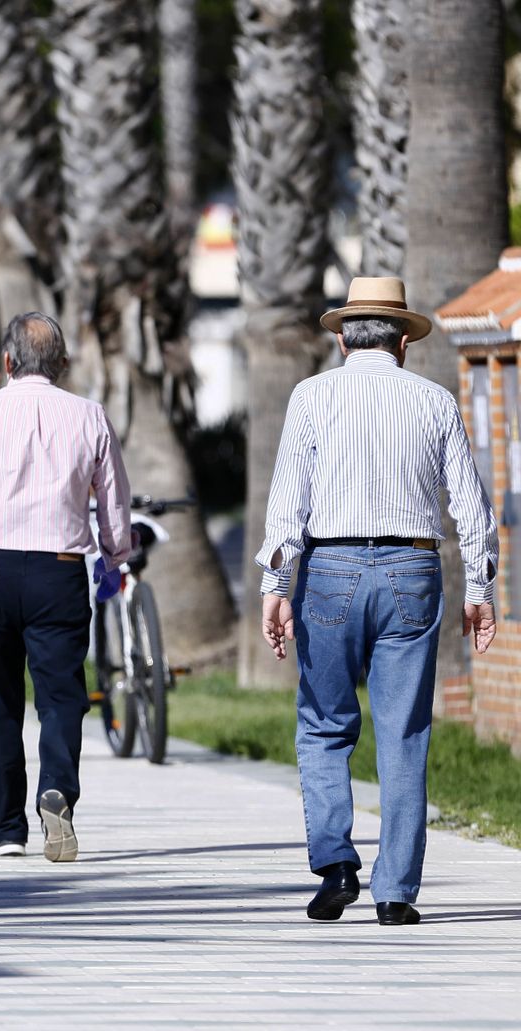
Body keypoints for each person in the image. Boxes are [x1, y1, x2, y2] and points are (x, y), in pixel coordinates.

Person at [256, 276, 499, 927]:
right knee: (404, 731)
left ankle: (336, 863)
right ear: (404, 343)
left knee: (324, 722)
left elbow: (287, 504)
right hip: (412, 568)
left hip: (330, 566)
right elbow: (471, 507)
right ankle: (395, 891)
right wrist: (480, 587)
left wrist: (275, 586)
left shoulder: (311, 396)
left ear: (340, 339)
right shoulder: (434, 400)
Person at [0, 313, 131, 863]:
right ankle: (58, 790)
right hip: (60, 572)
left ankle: (5, 828)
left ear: (9, 362)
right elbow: (112, 500)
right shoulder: (90, 416)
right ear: (61, 363)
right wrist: (114, 559)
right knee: (62, 696)